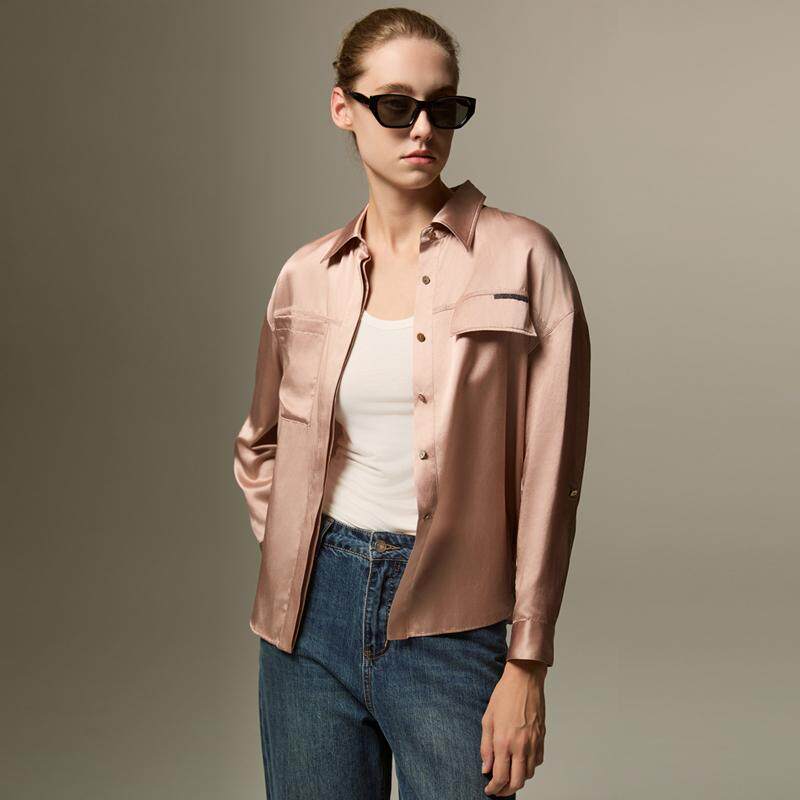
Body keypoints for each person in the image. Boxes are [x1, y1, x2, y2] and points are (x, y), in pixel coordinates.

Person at [233, 8, 591, 799]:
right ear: (344, 108)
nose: (423, 128)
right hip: (307, 621)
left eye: (443, 107)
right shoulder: (306, 276)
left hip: (454, 623)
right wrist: (295, 543)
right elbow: (260, 443)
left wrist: (527, 661)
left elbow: (550, 478)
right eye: (396, 105)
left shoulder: (524, 257)